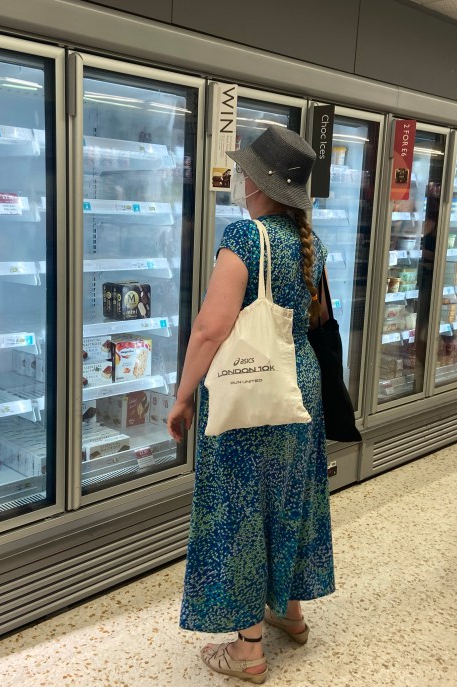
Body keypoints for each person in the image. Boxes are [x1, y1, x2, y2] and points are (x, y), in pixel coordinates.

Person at [167, 125, 334, 683]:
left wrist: (184, 395)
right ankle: (289, 611)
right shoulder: (313, 242)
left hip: (248, 389)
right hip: (298, 385)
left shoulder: (245, 237)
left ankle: (248, 650)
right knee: (289, 496)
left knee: (241, 507)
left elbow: (210, 330)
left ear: (256, 183)